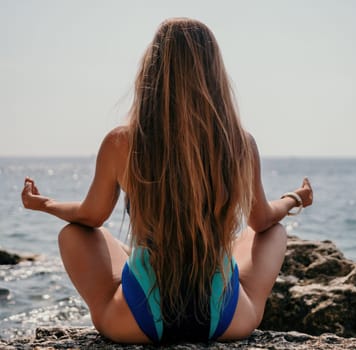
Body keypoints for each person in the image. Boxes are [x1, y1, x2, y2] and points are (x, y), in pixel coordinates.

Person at [20, 18, 313, 344]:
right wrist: (294, 198)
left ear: (152, 69)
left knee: (75, 233)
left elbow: (91, 216)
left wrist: (42, 203)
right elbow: (261, 220)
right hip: (224, 322)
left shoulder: (123, 142)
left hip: (138, 323)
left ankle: (140, 271)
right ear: (215, 72)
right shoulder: (238, 143)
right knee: (274, 232)